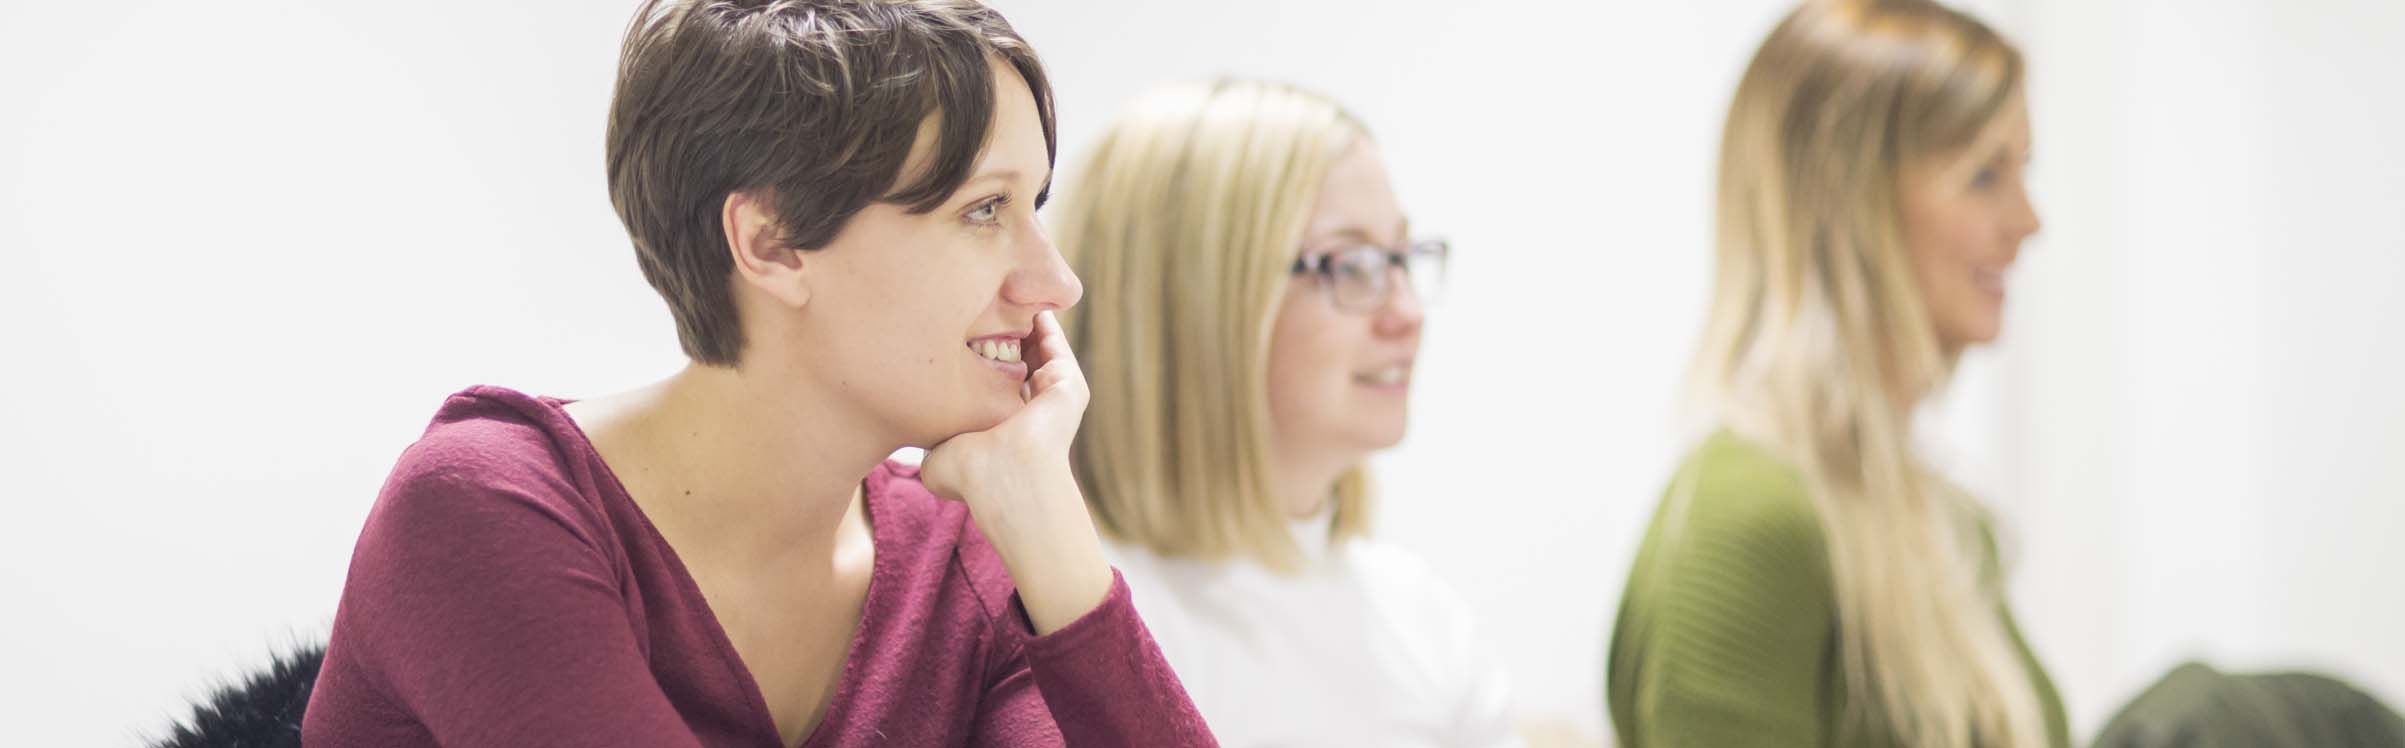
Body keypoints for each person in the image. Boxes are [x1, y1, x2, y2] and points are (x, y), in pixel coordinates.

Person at [302, 2, 1215, 745]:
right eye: (983, 209)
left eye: (1033, 205)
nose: (1056, 281)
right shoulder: (485, 506)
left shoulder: (962, 558)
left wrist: (1047, 517)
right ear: (771, 244)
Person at [1604, 1, 2064, 746]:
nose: (2027, 221)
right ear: (1848, 202)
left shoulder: (1944, 521)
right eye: (1983, 176)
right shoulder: (1749, 519)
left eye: (2022, 171)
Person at [1054, 78, 1519, 747]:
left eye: (1403, 258)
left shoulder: (1421, 619)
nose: (1407, 314)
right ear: (1196, 300)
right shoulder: (1076, 621)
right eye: (1350, 264)